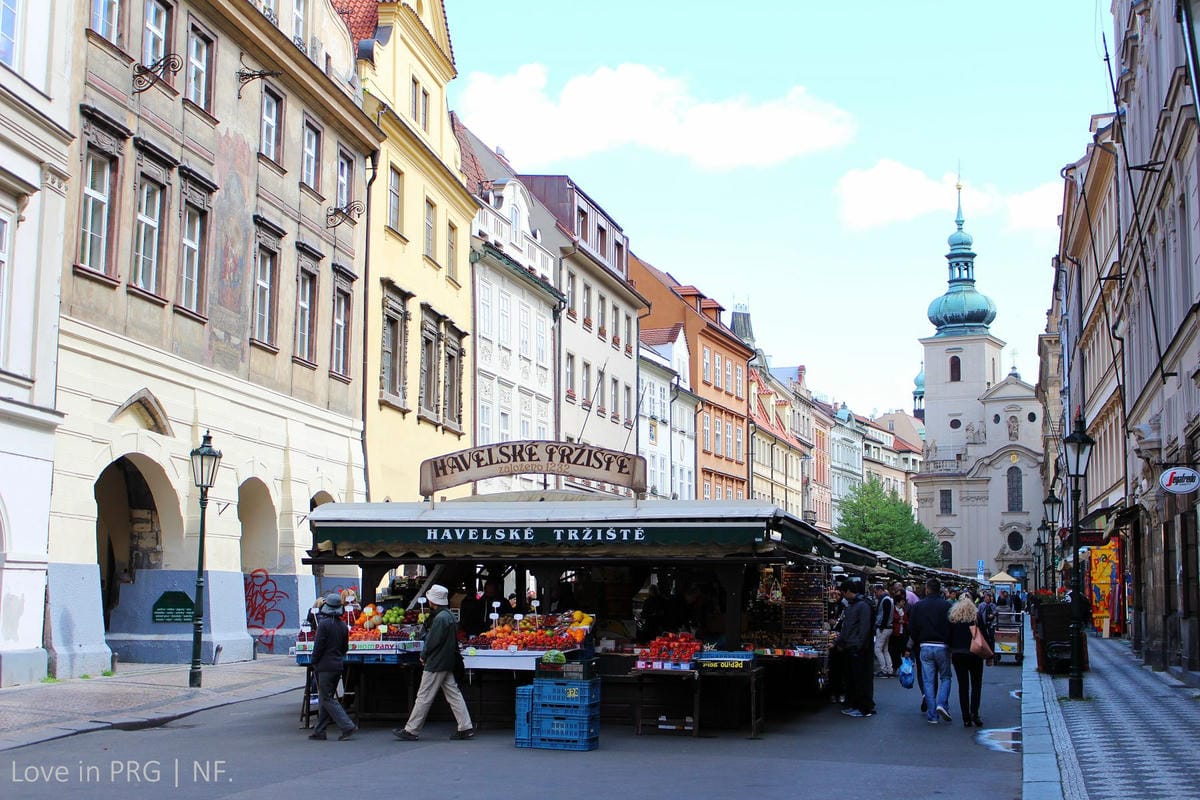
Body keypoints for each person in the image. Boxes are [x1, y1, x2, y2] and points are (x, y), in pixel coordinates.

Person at [394, 584, 475, 741]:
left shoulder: (440, 618)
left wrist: (424, 654)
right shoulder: (449, 616)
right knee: (454, 694)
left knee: (424, 695)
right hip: (447, 661)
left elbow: (432, 641)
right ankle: (466, 726)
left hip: (436, 662)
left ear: (433, 601)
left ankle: (412, 729)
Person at [308, 592, 356, 741]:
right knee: (325, 697)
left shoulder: (323, 625)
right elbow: (344, 647)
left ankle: (347, 725)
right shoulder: (343, 626)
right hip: (337, 664)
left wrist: (314, 661)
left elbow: (319, 646)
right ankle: (320, 730)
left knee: (327, 698)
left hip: (325, 665)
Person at [909, 577, 953, 724]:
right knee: (945, 677)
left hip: (925, 645)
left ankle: (932, 714)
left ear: (927, 589)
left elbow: (912, 628)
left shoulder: (918, 606)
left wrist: (916, 642)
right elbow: (952, 626)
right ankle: (942, 703)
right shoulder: (947, 605)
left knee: (928, 681)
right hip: (942, 645)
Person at [835, 579, 875, 718]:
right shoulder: (854, 605)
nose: (842, 595)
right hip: (851, 646)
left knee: (860, 679)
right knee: (854, 678)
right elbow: (848, 627)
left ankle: (863, 708)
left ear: (847, 591)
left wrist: (858, 645)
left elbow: (863, 628)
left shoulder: (861, 606)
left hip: (857, 648)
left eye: (842, 592)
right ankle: (857, 705)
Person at [948, 594, 986, 727]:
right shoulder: (976, 618)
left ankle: (966, 717)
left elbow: (949, 637)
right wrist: (990, 656)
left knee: (963, 686)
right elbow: (984, 636)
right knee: (976, 684)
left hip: (958, 654)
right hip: (974, 654)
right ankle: (975, 713)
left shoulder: (953, 619)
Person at [872, 584, 895, 677]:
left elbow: (885, 615)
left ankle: (884, 670)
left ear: (880, 590)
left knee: (877, 649)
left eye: (875, 592)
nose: (875, 594)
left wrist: (881, 627)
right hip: (888, 627)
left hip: (884, 628)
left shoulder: (885, 600)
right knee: (885, 650)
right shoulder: (889, 599)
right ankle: (889, 669)